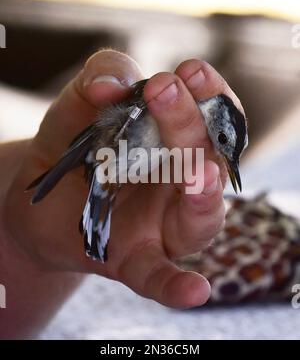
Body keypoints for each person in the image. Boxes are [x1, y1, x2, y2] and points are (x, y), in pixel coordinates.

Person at [0, 49, 244, 339]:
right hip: (108, 163)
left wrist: (17, 245)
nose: (222, 151)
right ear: (215, 113)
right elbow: (107, 128)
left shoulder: (184, 116)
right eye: (223, 140)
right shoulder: (156, 97)